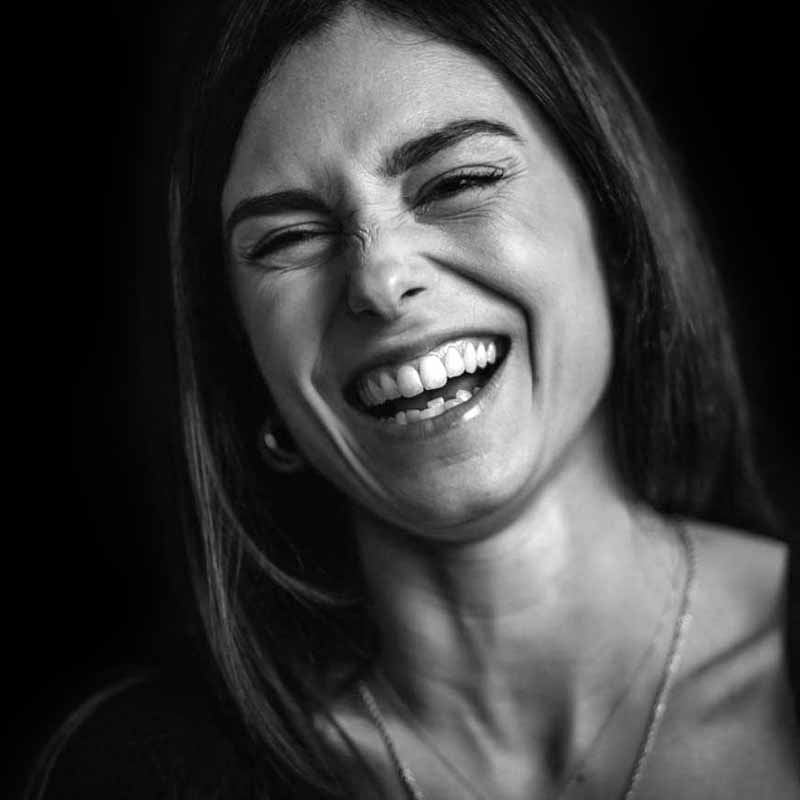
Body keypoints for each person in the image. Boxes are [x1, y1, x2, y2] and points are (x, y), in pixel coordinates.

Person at [29, 0, 799, 797]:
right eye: (287, 238)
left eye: (458, 182)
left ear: (613, 219)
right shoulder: (132, 775)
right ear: (242, 355)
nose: (379, 279)